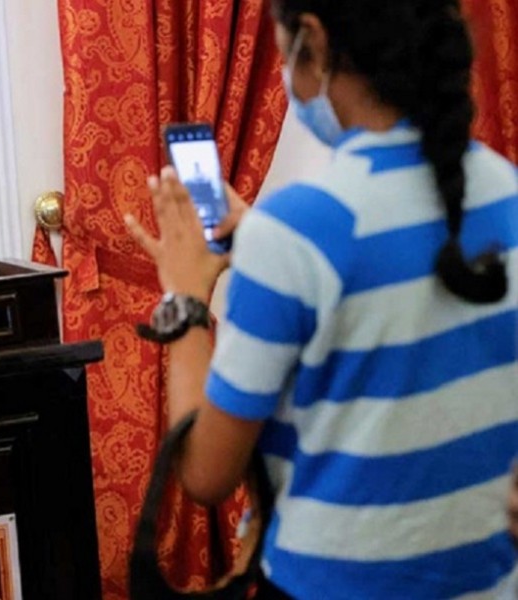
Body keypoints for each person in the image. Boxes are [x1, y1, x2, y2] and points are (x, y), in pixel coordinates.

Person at [126, 0, 518, 597]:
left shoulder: (295, 232)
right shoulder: (505, 191)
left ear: (313, 38)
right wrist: (268, 241)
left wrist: (184, 299)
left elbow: (206, 472)